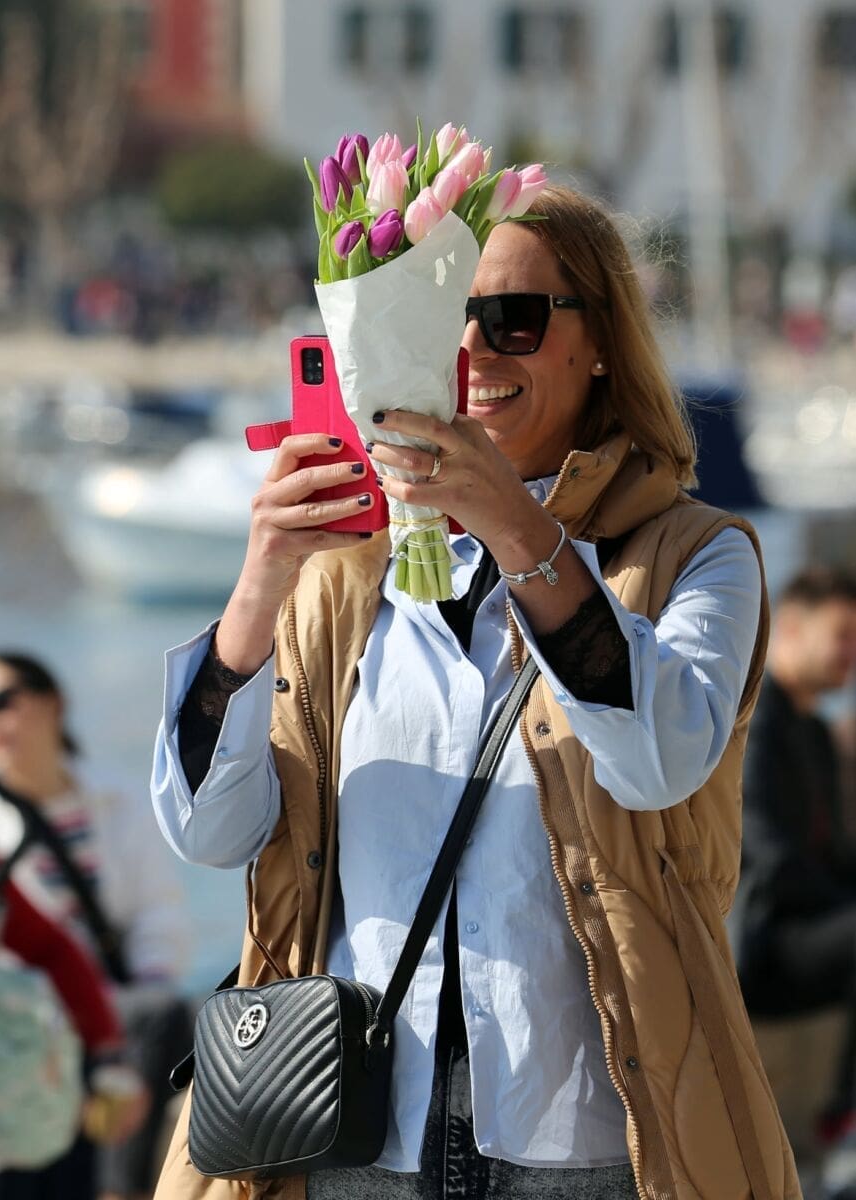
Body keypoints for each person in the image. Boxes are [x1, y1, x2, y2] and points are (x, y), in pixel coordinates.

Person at [152, 185, 798, 1199]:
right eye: (438, 317)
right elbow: (208, 832)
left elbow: (658, 763)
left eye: (512, 318)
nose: (469, 350)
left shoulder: (697, 557)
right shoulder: (339, 578)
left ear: (600, 343)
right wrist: (259, 586)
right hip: (352, 1130)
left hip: (593, 1136)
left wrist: (515, 526)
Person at [0, 650, 191, 1200]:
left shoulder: (118, 798)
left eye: (0, 702)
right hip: (25, 1004)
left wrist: (135, 990)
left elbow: (158, 912)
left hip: (116, 1000)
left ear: (53, 702)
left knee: (165, 1013)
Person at [732, 568, 856, 1197]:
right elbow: (770, 857)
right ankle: (842, 1115)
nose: (850, 654)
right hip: (761, 942)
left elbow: (833, 858)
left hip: (807, 928)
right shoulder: (755, 719)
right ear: (792, 628)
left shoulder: (811, 730)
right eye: (843, 634)